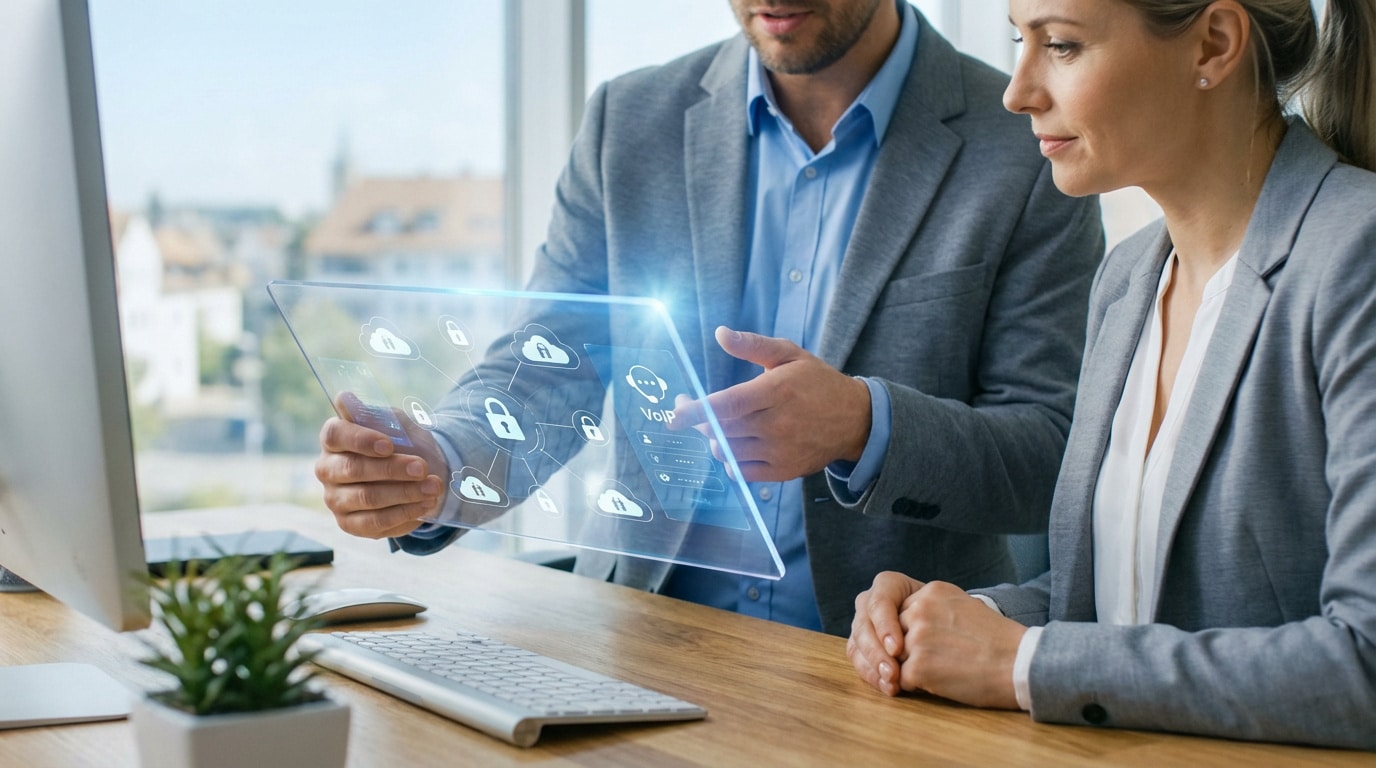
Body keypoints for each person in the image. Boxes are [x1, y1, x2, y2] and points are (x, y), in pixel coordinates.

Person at [315, 0, 1104, 636]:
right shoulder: (630, 122)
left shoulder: (1025, 148)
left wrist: (866, 424)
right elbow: (550, 365)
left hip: (884, 671)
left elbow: (1049, 457)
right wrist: (441, 464)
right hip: (643, 641)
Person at [847, 0, 1376, 748]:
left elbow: (1365, 663)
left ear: (1213, 43)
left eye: (1060, 45)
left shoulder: (1355, 256)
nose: (1017, 90)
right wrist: (956, 622)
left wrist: (1023, 662)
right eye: (1017, 42)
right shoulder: (1128, 280)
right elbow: (1116, 608)